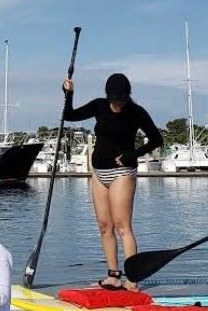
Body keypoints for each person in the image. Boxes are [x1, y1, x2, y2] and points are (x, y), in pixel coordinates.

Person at [62, 72, 163, 290]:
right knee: (104, 226)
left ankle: (133, 279)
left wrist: (132, 155)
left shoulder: (136, 112)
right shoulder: (99, 106)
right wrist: (68, 94)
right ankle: (113, 275)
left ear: (127, 96)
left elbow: (157, 139)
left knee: (122, 226)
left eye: (121, 99)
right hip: (99, 172)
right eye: (114, 99)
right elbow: (68, 115)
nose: (117, 103)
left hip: (122, 172)